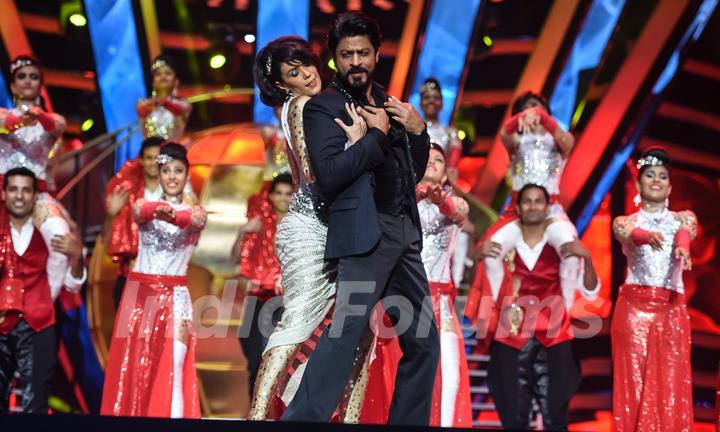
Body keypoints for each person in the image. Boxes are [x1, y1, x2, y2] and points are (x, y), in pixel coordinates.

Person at [281, 12, 439, 426]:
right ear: (334, 58)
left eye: (363, 53)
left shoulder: (389, 103)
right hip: (365, 236)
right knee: (343, 337)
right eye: (346, 54)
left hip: (403, 233)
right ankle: (299, 420)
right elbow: (330, 176)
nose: (356, 61)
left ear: (376, 54)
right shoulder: (323, 107)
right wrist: (375, 137)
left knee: (424, 344)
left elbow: (412, 174)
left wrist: (418, 132)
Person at [246, 36, 369, 422]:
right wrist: (358, 147)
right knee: (298, 323)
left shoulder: (300, 105)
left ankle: (335, 416)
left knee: (357, 332)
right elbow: (317, 176)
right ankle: (258, 415)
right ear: (284, 85)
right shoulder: (302, 106)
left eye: (306, 65)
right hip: (311, 227)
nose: (307, 75)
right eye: (294, 73)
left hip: (328, 226)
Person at [474, 183, 599, 430]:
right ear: (519, 208)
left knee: (554, 415)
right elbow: (482, 280)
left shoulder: (563, 246)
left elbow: (591, 290)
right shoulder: (505, 243)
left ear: (547, 207)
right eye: (527, 201)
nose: (532, 206)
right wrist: (478, 252)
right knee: (513, 416)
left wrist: (586, 256)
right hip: (512, 334)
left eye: (538, 201)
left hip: (553, 336)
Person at [100, 143, 206, 418]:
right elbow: (141, 212)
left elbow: (192, 219)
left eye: (178, 171)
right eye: (166, 170)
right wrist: (161, 210)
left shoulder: (197, 213)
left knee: (176, 362)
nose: (172, 176)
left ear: (186, 175)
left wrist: (176, 214)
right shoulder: (142, 204)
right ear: (158, 174)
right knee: (135, 367)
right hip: (139, 295)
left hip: (175, 297)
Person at [467, 91, 581, 339]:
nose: (531, 112)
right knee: (491, 250)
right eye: (525, 108)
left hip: (551, 211)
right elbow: (504, 134)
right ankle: (499, 313)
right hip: (518, 213)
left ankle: (567, 312)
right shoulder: (516, 141)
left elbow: (569, 142)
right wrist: (520, 117)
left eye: (537, 107)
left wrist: (541, 117)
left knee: (572, 250)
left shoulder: (557, 142)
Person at [611, 147, 695, 432]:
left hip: (671, 309)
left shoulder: (684, 218)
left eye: (662, 176)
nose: (656, 180)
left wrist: (682, 248)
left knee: (670, 383)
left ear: (670, 185)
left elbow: (684, 234)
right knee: (634, 382)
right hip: (633, 311)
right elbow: (630, 235)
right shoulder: (625, 222)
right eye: (650, 175)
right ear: (638, 183)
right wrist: (646, 237)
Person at [0, 167, 86, 413]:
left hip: (38, 322)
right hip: (1, 323)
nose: (19, 196)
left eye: (26, 190)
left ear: (35, 195)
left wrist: (77, 255)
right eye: (13, 189)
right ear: (4, 194)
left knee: (36, 403)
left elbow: (71, 284)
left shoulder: (50, 231)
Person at [0, 55, 78, 287]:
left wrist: (39, 116)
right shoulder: (3, 114)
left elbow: (57, 125)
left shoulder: (53, 120)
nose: (27, 81)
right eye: (21, 77)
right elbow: (6, 122)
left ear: (40, 85)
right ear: (13, 85)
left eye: (33, 77)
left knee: (61, 240)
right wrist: (22, 119)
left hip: (37, 196)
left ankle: (43, 309)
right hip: (3, 194)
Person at [231, 173, 292, 400]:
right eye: (278, 193)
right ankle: (254, 407)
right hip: (257, 297)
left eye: (288, 194)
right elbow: (234, 259)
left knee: (273, 357)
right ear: (270, 196)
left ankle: (271, 410)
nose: (283, 199)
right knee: (252, 352)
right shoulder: (258, 223)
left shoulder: (299, 227)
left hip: (284, 301)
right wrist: (242, 232)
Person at [418, 77, 470, 288]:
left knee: (463, 230)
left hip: (444, 191)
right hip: (415, 189)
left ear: (442, 102)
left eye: (436, 98)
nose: (431, 102)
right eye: (427, 98)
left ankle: (453, 284)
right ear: (420, 102)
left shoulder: (452, 135)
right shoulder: (412, 129)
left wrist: (451, 199)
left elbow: (452, 171)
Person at [103, 136, 165, 309]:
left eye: (158, 158)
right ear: (141, 160)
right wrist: (110, 215)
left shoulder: (175, 196)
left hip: (163, 280)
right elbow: (106, 242)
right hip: (129, 278)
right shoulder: (126, 195)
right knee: (124, 335)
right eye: (149, 158)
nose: (154, 163)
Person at [137, 54, 191, 141]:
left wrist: (162, 101)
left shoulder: (184, 104)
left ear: (176, 81)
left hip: (172, 152)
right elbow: (141, 110)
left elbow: (179, 109)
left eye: (168, 73)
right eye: (158, 74)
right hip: (150, 152)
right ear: (153, 82)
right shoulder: (143, 103)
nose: (163, 77)